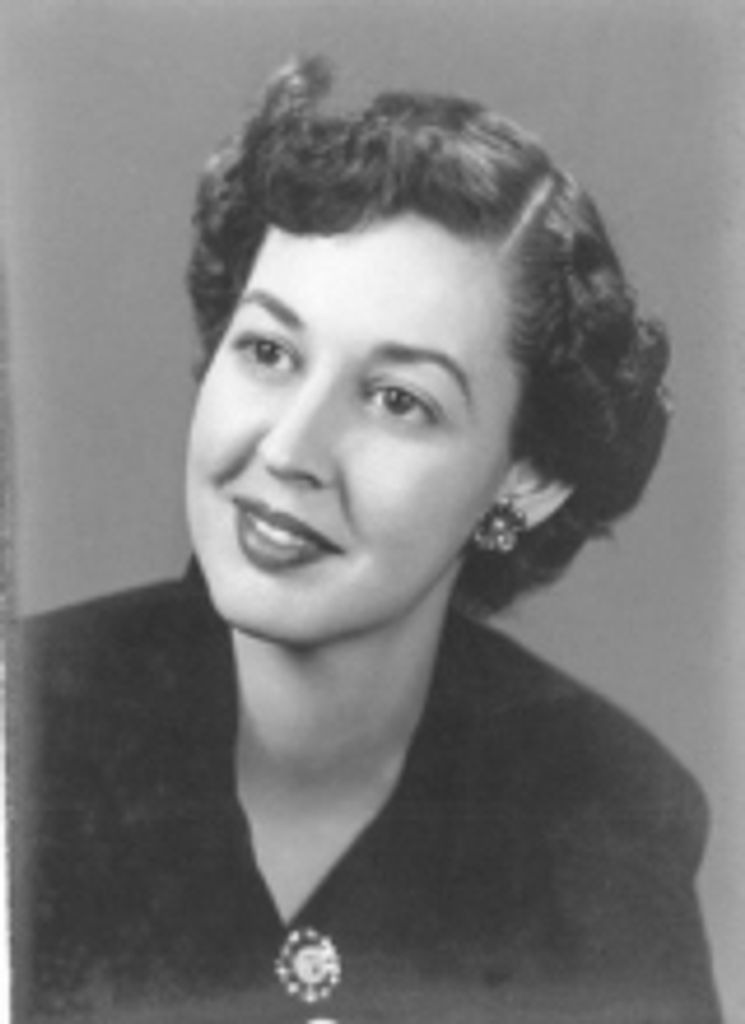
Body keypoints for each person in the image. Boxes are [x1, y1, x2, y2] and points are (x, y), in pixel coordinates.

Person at [16, 58, 721, 1022]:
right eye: (268, 351)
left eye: (397, 400)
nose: (289, 450)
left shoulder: (605, 815)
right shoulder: (26, 730)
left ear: (527, 477)